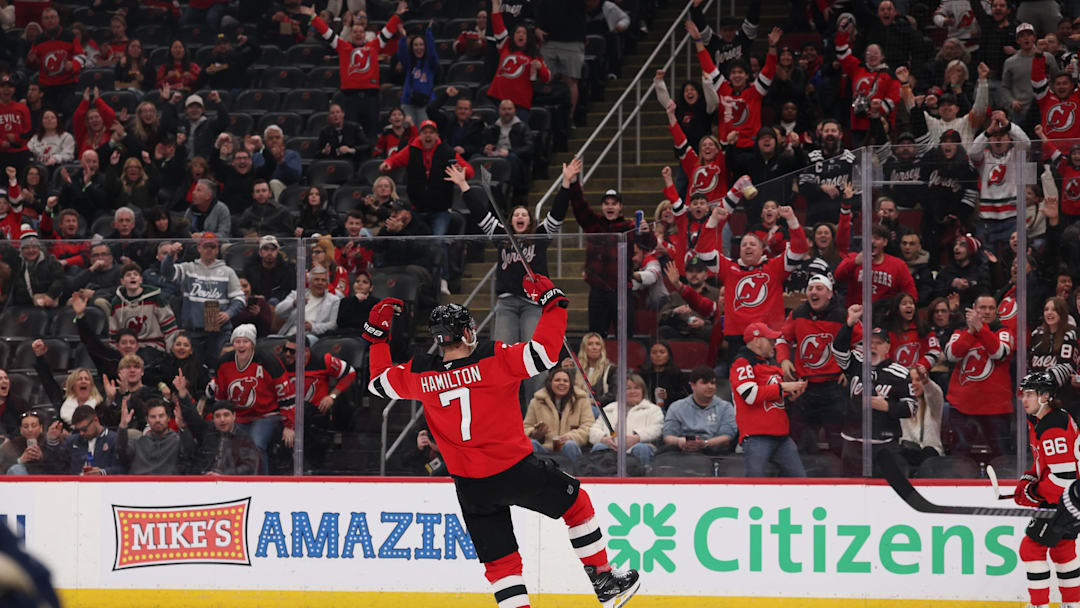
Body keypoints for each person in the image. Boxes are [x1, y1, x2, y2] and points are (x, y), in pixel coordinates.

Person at [365, 276, 641, 607]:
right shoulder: (492, 358)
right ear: (467, 332)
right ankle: (605, 581)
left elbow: (378, 384)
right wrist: (553, 304)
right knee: (577, 504)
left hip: (469, 485)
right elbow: (543, 353)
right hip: (514, 470)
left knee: (501, 563)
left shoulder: (422, 373)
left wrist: (377, 338)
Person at [673, 201, 807, 365]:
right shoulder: (730, 267)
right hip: (738, 337)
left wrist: (791, 219)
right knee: (740, 385)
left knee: (769, 382)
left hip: (767, 335)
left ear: (761, 250)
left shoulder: (774, 266)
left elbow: (799, 250)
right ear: (739, 250)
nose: (748, 247)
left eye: (752, 244)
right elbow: (703, 252)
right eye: (744, 244)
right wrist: (713, 221)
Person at [1013, 371, 1080, 608]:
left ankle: (1039, 605)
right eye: (1024, 394)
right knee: (1063, 549)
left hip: (1065, 499)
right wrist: (1030, 477)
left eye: (1030, 394)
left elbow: (1064, 478)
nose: (1024, 399)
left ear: (1046, 396)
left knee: (1031, 548)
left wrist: (1033, 493)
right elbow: (1045, 462)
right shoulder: (1047, 419)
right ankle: (1072, 604)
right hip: (1073, 499)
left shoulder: (1051, 426)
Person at [832, 306, 917, 477]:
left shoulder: (900, 373)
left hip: (884, 445)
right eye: (870, 342)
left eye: (878, 343)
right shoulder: (855, 364)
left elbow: (912, 408)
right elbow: (838, 350)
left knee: (885, 493)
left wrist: (887, 407)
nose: (873, 346)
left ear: (887, 347)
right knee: (852, 492)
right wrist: (850, 324)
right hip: (853, 443)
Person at [301, 2, 405, 138]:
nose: (358, 34)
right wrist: (314, 17)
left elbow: (388, 30)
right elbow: (327, 33)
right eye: (355, 32)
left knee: (372, 132)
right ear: (350, 34)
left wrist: (397, 15)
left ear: (365, 34)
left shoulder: (374, 46)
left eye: (361, 32)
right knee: (351, 134)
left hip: (371, 98)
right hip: (350, 99)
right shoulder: (343, 47)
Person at [203, 324, 292, 472]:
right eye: (237, 341)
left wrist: (290, 425)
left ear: (252, 344)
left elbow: (287, 394)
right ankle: (230, 479)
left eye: (245, 341)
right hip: (238, 415)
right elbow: (221, 397)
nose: (241, 345)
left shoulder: (268, 362)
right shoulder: (224, 362)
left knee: (256, 444)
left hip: (266, 415)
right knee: (227, 444)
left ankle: (261, 483)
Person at [776, 274, 849, 455]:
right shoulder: (798, 313)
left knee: (837, 443)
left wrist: (849, 369)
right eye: (811, 289)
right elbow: (782, 339)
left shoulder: (843, 316)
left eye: (819, 288)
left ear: (830, 293)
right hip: (805, 388)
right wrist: (784, 360)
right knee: (801, 443)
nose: (813, 292)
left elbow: (861, 344)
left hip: (833, 388)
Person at [688, 21, 780, 150]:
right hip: (727, 148)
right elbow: (707, 65)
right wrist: (698, 40)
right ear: (729, 76)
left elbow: (769, 70)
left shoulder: (755, 91)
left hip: (751, 148)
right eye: (733, 73)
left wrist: (772, 47)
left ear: (747, 75)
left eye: (741, 72)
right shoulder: (723, 88)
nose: (737, 76)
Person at [944, 293, 1015, 458]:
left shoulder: (1004, 332)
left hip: (996, 408)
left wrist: (981, 329)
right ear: (974, 310)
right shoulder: (959, 332)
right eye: (982, 308)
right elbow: (951, 355)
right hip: (963, 407)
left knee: (1002, 457)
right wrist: (971, 331)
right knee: (959, 456)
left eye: (991, 308)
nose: (987, 311)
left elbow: (999, 353)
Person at [730, 323, 807, 476]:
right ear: (757, 341)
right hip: (757, 436)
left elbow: (773, 397)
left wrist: (792, 395)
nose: (774, 344)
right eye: (770, 340)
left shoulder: (770, 366)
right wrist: (783, 387)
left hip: (782, 436)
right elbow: (750, 395)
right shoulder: (742, 363)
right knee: (755, 485)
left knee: (800, 481)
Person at [160, 234, 245, 365]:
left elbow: (240, 299)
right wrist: (170, 255)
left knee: (219, 366)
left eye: (213, 246)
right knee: (194, 369)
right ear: (199, 248)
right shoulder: (188, 268)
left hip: (219, 332)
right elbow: (167, 273)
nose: (209, 250)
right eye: (206, 246)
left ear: (217, 250)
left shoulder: (228, 272)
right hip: (194, 331)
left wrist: (229, 313)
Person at [489, 0, 550, 117]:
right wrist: (495, 5)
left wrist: (540, 67)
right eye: (518, 32)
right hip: (500, 101)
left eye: (524, 33)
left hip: (521, 103)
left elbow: (546, 77)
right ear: (513, 36)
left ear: (528, 38)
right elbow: (497, 24)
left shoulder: (534, 56)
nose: (520, 35)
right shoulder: (505, 45)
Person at [589, 374, 664, 467]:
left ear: (643, 391)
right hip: (612, 448)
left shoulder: (653, 409)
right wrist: (604, 439)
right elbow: (593, 430)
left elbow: (657, 429)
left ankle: (642, 479)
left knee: (641, 448)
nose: (632, 391)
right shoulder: (609, 409)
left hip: (638, 447)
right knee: (599, 447)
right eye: (628, 388)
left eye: (636, 388)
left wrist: (637, 437)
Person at [834, 224, 917, 307]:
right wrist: (855, 262)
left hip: (884, 315)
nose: (872, 241)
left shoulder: (898, 265)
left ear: (885, 242)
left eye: (877, 238)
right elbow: (838, 276)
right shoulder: (853, 257)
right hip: (855, 313)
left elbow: (911, 294)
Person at [174, 395, 261, 476]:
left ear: (234, 416)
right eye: (218, 416)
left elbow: (249, 467)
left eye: (226, 415)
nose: (222, 420)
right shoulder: (206, 431)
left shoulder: (244, 439)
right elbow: (192, 418)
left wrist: (223, 475)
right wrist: (182, 393)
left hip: (229, 485)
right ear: (213, 418)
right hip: (202, 481)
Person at [661, 365, 737, 456]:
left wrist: (705, 443)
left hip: (714, 454)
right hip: (681, 453)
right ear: (693, 385)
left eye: (712, 383)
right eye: (704, 383)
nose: (710, 386)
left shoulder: (726, 407)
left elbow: (727, 436)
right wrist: (680, 441)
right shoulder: (676, 407)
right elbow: (668, 436)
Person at [523, 367, 595, 462]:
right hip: (545, 448)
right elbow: (525, 427)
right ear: (550, 383)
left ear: (570, 384)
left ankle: (574, 476)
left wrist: (571, 437)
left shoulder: (582, 401)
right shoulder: (536, 402)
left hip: (569, 447)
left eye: (565, 381)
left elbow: (588, 426)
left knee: (570, 445)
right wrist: (534, 433)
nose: (562, 383)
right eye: (557, 380)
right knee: (531, 444)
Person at [108, 262, 178, 352]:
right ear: (122, 281)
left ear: (141, 279)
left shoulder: (156, 298)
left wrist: (169, 351)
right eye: (128, 275)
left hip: (154, 346)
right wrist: (117, 352)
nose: (132, 277)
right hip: (128, 348)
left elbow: (170, 329)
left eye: (135, 275)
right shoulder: (116, 302)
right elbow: (113, 333)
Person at [28, 8, 85, 119]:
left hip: (67, 83)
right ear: (42, 21)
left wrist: (73, 65)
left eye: (53, 17)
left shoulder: (70, 36)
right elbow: (32, 64)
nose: (50, 21)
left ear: (58, 19)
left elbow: (81, 56)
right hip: (47, 85)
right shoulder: (38, 39)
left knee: (67, 109)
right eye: (47, 18)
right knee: (48, 114)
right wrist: (31, 60)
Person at [115, 397, 193, 475]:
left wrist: (182, 427)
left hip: (169, 485)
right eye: (153, 417)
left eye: (161, 416)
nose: (157, 420)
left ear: (168, 418)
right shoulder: (137, 442)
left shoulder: (178, 441)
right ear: (147, 420)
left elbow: (189, 453)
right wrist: (123, 426)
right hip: (140, 484)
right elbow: (122, 455)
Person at [1030, 296, 1080, 416]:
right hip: (1037, 400)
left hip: (1062, 400)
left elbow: (1067, 366)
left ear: (1062, 313)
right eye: (1046, 309)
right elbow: (1030, 365)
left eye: (1054, 310)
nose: (1049, 313)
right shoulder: (1037, 335)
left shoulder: (1069, 335)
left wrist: (1041, 382)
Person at [44, 405, 125, 475]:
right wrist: (52, 442)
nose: (81, 433)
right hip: (75, 487)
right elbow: (56, 467)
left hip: (104, 487)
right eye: (78, 430)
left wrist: (102, 472)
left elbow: (122, 469)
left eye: (84, 429)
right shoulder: (72, 441)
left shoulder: (113, 439)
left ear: (96, 420)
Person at [482, 99, 534, 199]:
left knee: (512, 157)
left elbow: (529, 148)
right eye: (504, 109)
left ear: (514, 110)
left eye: (509, 109)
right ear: (499, 111)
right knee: (477, 157)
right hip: (494, 158)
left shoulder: (523, 127)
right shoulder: (492, 128)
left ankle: (515, 192)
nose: (506, 112)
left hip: (513, 159)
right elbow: (482, 145)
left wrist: (510, 152)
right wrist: (485, 149)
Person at [658, 256, 717, 340]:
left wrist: (704, 323)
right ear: (685, 274)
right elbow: (660, 318)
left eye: (699, 271)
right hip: (680, 333)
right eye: (690, 271)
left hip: (703, 333)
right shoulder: (675, 295)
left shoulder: (716, 294)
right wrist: (674, 311)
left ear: (706, 275)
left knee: (713, 332)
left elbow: (721, 320)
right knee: (664, 330)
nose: (694, 274)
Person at [274, 266, 342, 340]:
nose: (320, 282)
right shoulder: (297, 294)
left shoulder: (334, 300)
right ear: (309, 282)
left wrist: (312, 327)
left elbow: (333, 325)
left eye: (323, 280)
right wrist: (293, 304)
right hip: (291, 333)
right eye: (316, 279)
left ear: (327, 284)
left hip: (314, 336)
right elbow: (278, 311)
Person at [885, 292, 942, 371]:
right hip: (895, 378)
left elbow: (935, 350)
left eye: (911, 303)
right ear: (897, 308)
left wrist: (923, 365)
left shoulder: (924, 328)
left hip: (920, 377)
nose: (909, 305)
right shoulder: (888, 331)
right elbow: (883, 354)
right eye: (904, 304)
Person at [900, 364, 944, 467]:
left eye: (918, 380)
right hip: (907, 454)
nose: (914, 384)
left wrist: (925, 381)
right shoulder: (900, 405)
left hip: (930, 456)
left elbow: (934, 393)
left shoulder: (933, 405)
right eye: (911, 380)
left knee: (928, 451)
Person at [9, 226, 64, 308]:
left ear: (39, 248)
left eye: (34, 247)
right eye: (26, 247)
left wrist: (50, 295)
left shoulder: (50, 260)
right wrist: (33, 299)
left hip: (50, 305)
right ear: (21, 250)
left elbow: (60, 279)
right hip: (25, 306)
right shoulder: (17, 264)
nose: (31, 250)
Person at [397, 22, 438, 125]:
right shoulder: (409, 62)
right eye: (415, 45)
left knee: (425, 130)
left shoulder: (430, 63)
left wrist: (428, 33)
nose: (418, 48)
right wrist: (403, 38)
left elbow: (432, 52)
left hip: (425, 103)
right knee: (408, 131)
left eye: (421, 45)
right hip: (408, 102)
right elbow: (402, 53)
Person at [2, 410, 60, 475]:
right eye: (26, 426)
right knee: (17, 469)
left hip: (46, 481)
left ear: (41, 428)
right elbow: (3, 469)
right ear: (21, 429)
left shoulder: (49, 442)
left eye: (34, 426)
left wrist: (42, 458)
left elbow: (59, 467)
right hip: (21, 482)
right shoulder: (11, 446)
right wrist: (20, 460)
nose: (30, 430)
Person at [636, 342, 687, 409]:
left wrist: (668, 396)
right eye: (654, 352)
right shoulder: (643, 374)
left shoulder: (676, 374)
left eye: (662, 352)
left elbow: (684, 396)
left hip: (670, 409)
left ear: (668, 355)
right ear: (649, 356)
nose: (658, 355)